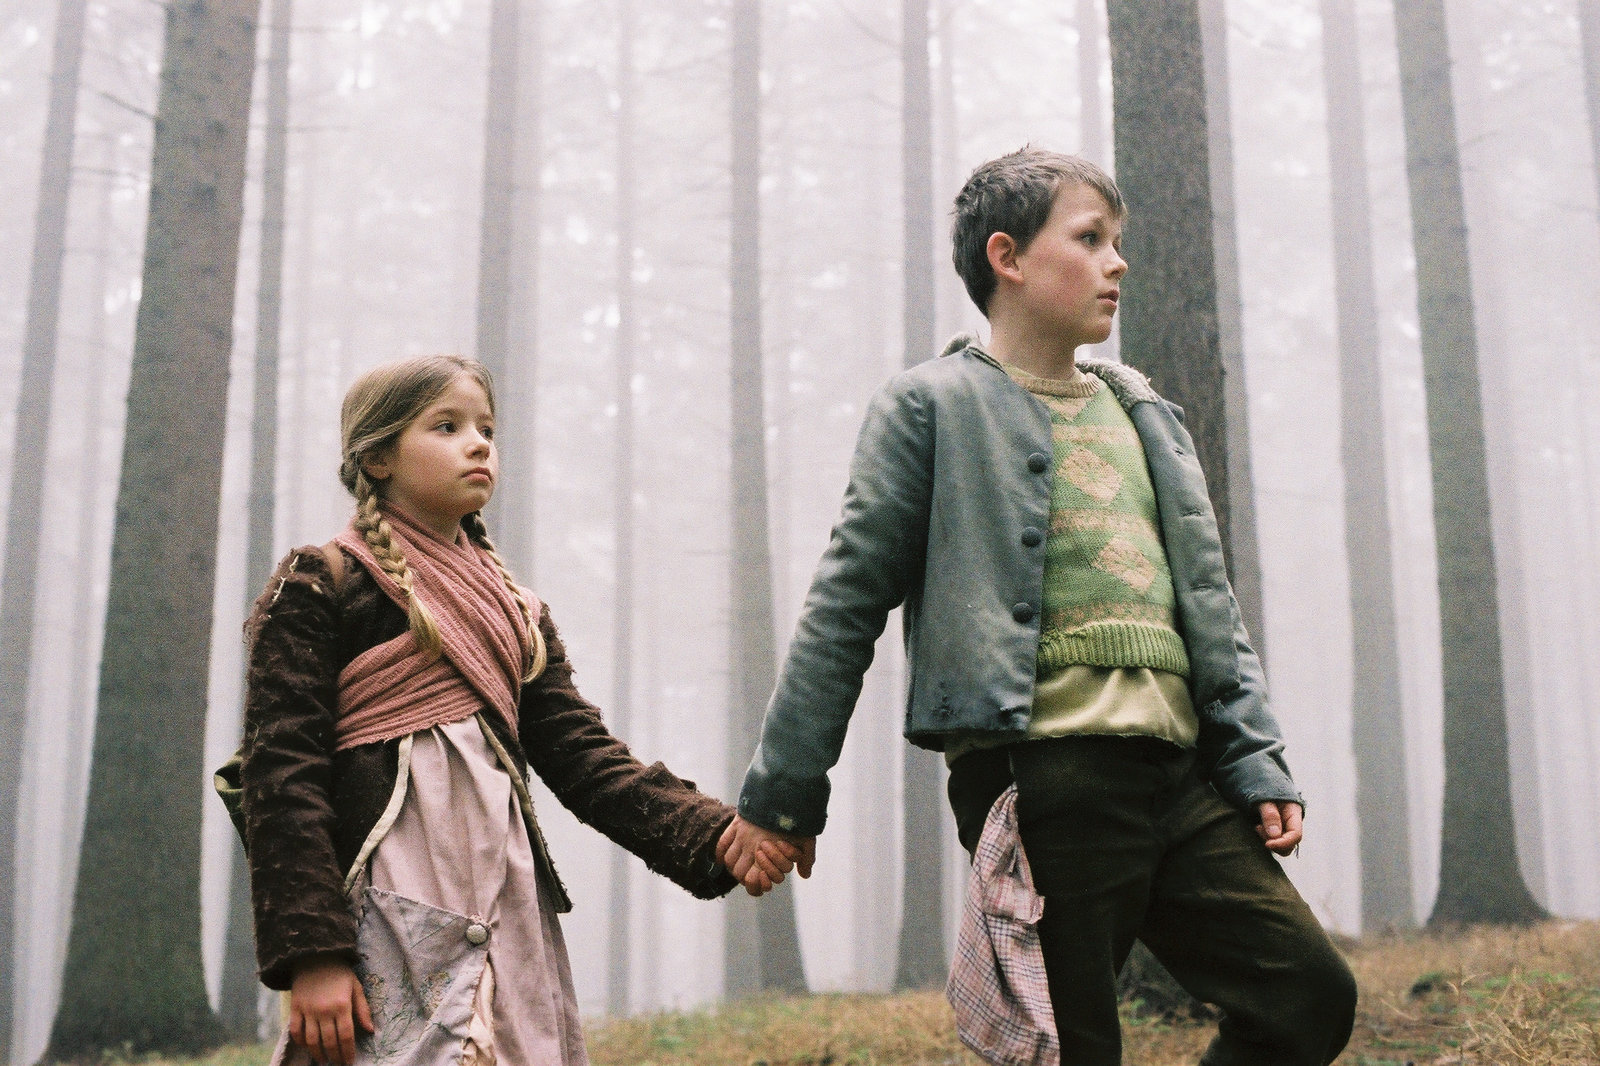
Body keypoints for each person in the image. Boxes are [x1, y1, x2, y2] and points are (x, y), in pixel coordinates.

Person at [717, 148, 1357, 1065]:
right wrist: (783, 796)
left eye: (1117, 242)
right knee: (1070, 1050)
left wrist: (1253, 757)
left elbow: (1211, 607)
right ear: (1007, 256)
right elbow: (843, 607)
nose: (1117, 262)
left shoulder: (1146, 413)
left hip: (1182, 781)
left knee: (1307, 995)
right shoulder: (930, 406)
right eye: (1090, 239)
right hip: (1042, 781)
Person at [238, 355, 795, 1066]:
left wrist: (716, 835)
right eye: (447, 426)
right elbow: (281, 775)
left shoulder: (517, 612)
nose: (478, 444)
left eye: (487, 429)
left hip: (509, 915)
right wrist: (314, 954)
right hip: (386, 913)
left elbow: (586, 759)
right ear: (377, 458)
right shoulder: (320, 583)